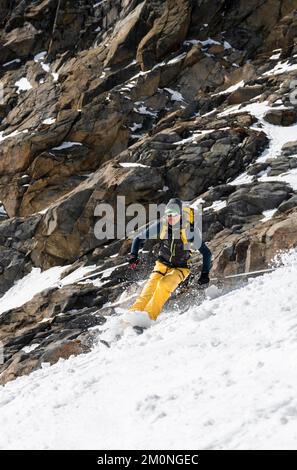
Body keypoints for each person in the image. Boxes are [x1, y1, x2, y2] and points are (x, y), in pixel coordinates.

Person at [127, 198, 212, 321]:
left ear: (180, 215)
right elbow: (138, 238)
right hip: (161, 264)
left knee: (163, 286)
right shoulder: (161, 225)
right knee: (149, 289)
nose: (170, 217)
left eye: (174, 214)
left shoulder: (189, 232)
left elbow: (206, 253)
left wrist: (205, 274)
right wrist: (133, 255)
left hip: (181, 268)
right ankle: (132, 316)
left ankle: (147, 318)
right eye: (168, 214)